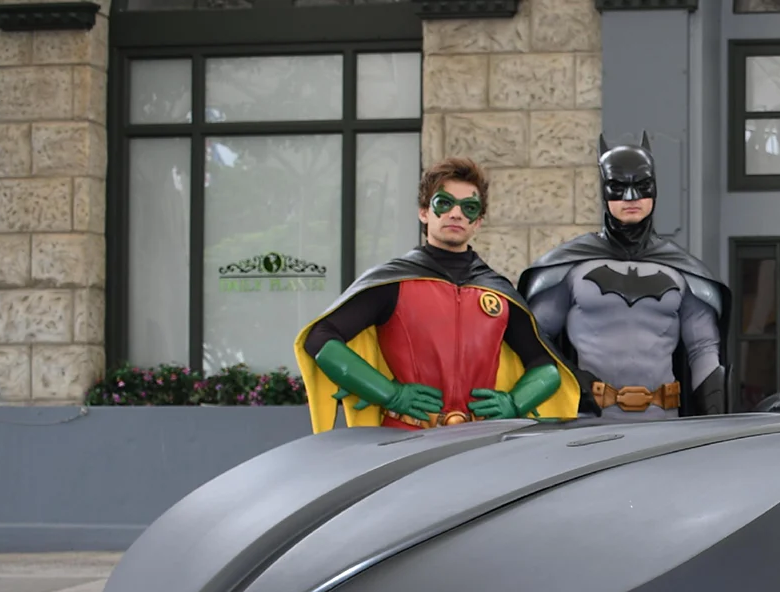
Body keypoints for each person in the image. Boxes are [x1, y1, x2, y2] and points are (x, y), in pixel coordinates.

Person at [293, 157, 582, 433]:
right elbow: (320, 337)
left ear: (478, 221)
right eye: (444, 203)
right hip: (406, 438)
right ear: (424, 212)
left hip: (483, 440)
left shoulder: (497, 290)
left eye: (469, 207)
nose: (456, 213)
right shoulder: (394, 281)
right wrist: (389, 394)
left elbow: (547, 367)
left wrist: (514, 403)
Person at [518, 133, 729, 421]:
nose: (631, 198)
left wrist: (715, 423)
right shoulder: (571, 265)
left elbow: (704, 351)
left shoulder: (682, 269)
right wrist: (569, 376)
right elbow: (534, 338)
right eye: (618, 187)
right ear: (604, 191)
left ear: (655, 189)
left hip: (664, 423)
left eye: (642, 186)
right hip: (590, 422)